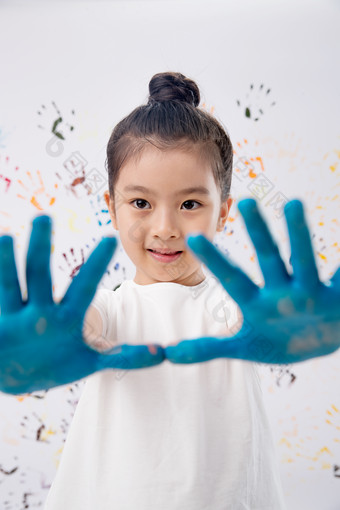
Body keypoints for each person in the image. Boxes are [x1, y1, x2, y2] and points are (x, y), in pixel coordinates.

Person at [41, 71, 287, 509]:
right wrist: (61, 335)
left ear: (223, 212)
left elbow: (264, 325)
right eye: (141, 203)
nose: (166, 229)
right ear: (112, 208)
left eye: (190, 204)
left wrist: (289, 327)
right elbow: (83, 321)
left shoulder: (231, 307)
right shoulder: (111, 308)